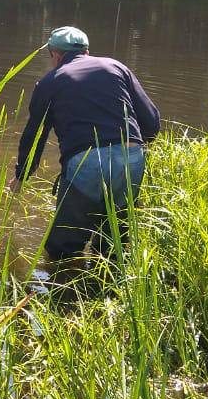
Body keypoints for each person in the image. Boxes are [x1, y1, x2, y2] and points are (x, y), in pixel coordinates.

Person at [9, 25, 160, 262]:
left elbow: (34, 136)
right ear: (87, 51)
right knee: (113, 244)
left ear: (55, 55)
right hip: (131, 157)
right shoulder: (116, 67)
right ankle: (110, 294)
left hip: (87, 163)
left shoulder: (50, 82)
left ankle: (64, 294)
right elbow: (151, 122)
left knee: (63, 249)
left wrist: (22, 175)